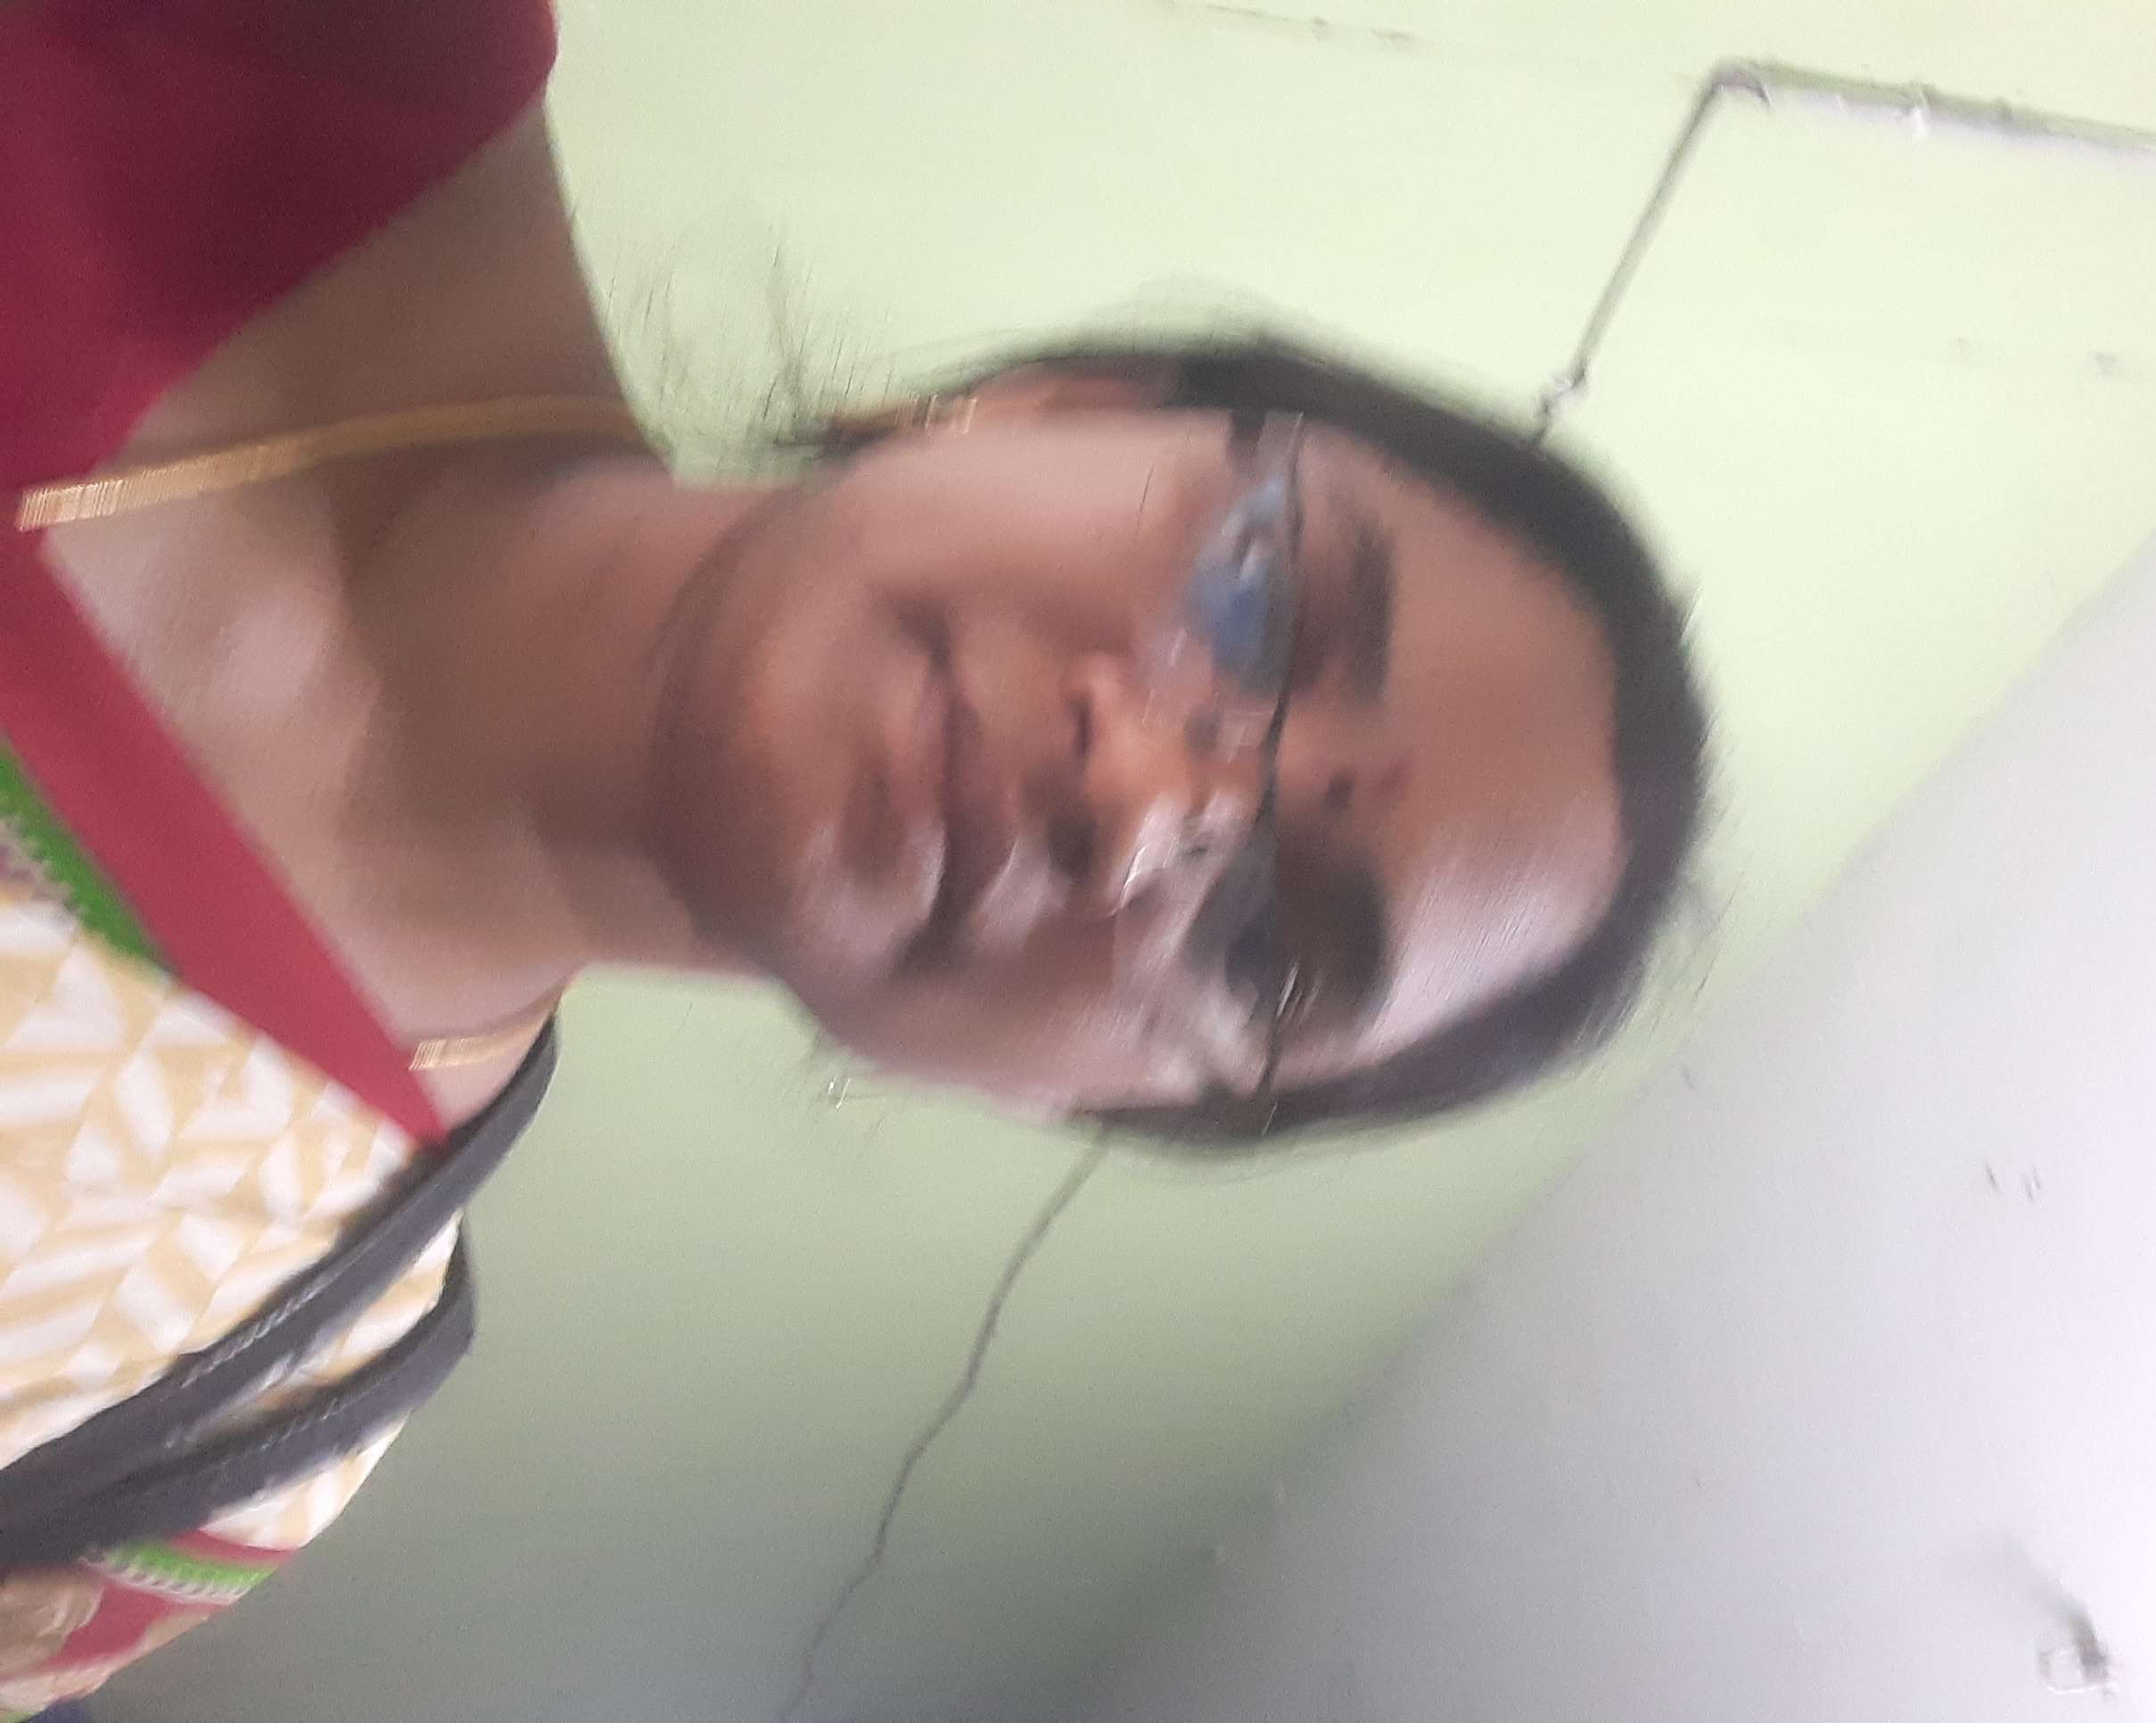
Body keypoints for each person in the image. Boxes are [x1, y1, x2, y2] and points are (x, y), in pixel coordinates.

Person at [0, 0, 1707, 1707]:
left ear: (1076, 1095)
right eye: (1262, 601)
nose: (1139, 797)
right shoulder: (304, 50)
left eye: (1265, 950)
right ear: (1052, 406)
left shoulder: (209, 1412)